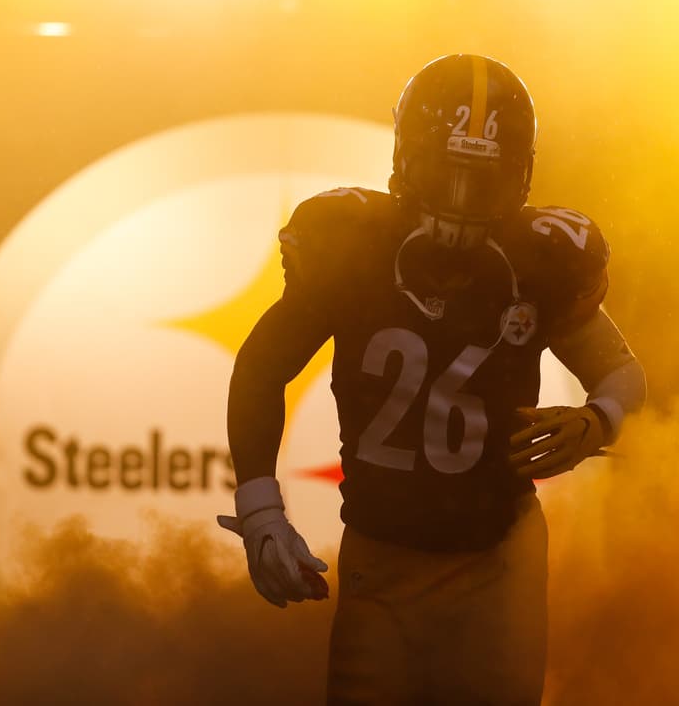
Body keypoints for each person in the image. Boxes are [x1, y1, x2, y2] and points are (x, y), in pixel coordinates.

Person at [217, 53, 646, 704]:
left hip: (497, 558)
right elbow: (261, 366)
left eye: (483, 178)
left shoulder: (537, 259)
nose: (461, 200)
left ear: (520, 175)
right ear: (406, 159)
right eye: (447, 172)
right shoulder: (354, 246)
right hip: (380, 557)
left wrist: (599, 418)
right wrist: (259, 510)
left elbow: (620, 371)